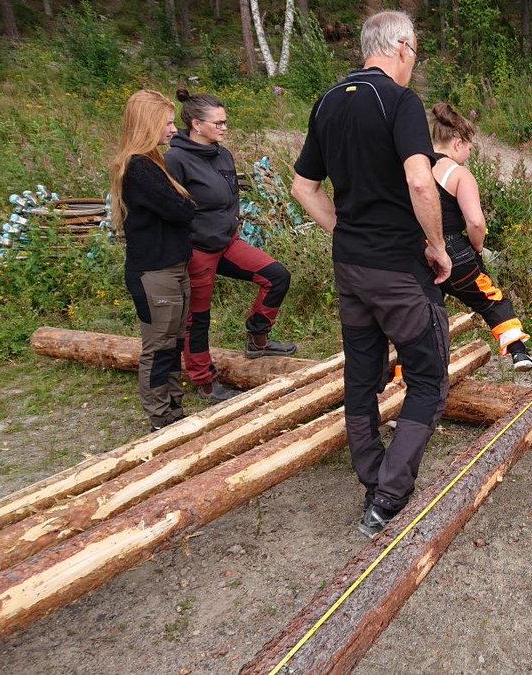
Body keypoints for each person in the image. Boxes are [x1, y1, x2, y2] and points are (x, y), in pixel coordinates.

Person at [290, 10, 452, 539]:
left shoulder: (328, 102)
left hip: (351, 268)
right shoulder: (400, 102)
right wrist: (436, 246)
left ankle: (370, 477)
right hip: (398, 270)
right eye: (416, 49)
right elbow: (421, 182)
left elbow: (303, 187)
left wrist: (345, 230)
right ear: (401, 46)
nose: (416, 59)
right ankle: (389, 493)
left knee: (362, 376)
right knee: (427, 378)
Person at [165, 89, 296, 404]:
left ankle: (258, 337)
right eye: (218, 123)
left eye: (225, 122)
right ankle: (205, 383)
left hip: (227, 242)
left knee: (277, 276)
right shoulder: (175, 159)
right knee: (198, 318)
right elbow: (170, 209)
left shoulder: (221, 154)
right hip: (197, 249)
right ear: (196, 124)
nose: (224, 127)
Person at [428, 102, 532, 371]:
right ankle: (519, 352)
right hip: (455, 251)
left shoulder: (415, 169)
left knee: (426, 312)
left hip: (420, 251)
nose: (469, 153)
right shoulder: (459, 174)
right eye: (469, 147)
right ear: (457, 142)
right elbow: (476, 222)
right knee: (491, 300)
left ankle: (409, 370)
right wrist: (477, 247)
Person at [109, 90, 197, 432]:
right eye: (168, 122)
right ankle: (160, 418)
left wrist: (185, 207)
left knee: (173, 342)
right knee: (159, 345)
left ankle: (173, 408)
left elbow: (182, 208)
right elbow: (181, 210)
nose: (174, 129)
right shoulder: (139, 168)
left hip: (172, 267)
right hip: (154, 272)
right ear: (149, 124)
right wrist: (187, 206)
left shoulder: (152, 162)